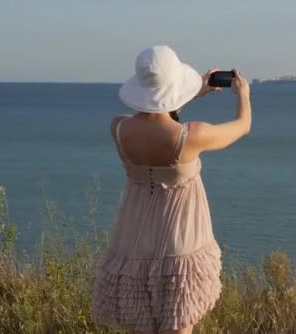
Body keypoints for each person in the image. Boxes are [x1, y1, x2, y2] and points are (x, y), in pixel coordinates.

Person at [91, 45, 251, 334]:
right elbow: (242, 126)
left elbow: (153, 119)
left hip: (134, 240)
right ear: (174, 86)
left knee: (140, 327)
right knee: (179, 326)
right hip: (179, 240)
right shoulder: (192, 136)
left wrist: (187, 94)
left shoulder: (118, 128)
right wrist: (243, 95)